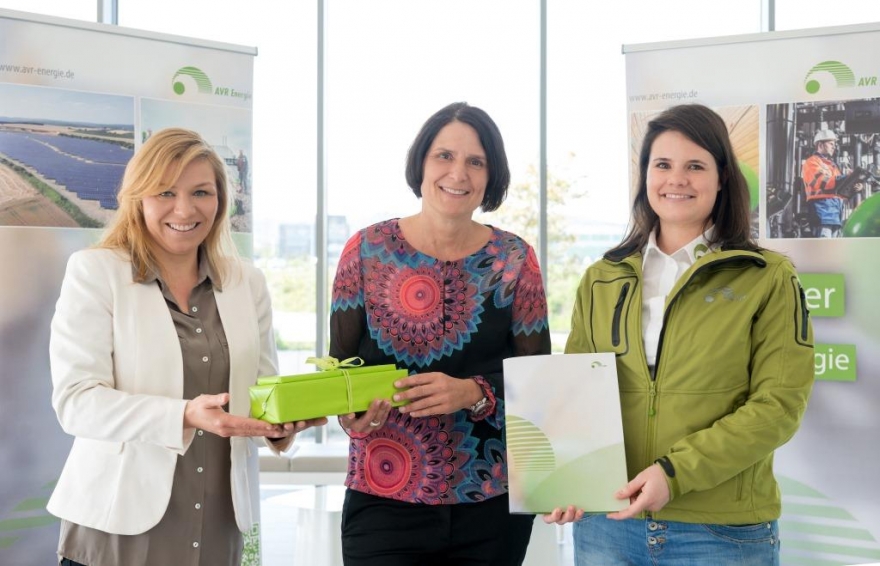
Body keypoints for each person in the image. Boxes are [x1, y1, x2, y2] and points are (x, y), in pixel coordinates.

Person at [545, 104, 815, 565]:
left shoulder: (767, 277)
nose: (677, 180)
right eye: (663, 165)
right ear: (645, 175)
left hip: (719, 532)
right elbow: (576, 393)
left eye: (695, 166)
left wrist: (674, 473)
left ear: (722, 177)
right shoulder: (602, 277)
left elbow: (779, 405)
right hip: (609, 524)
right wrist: (568, 480)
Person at [47, 128, 326, 566]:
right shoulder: (96, 272)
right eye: (165, 192)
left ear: (220, 200)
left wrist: (283, 424)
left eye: (201, 192)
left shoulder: (247, 282)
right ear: (138, 198)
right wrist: (183, 415)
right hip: (117, 529)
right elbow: (77, 402)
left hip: (218, 527)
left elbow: (262, 393)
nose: (184, 209)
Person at [329, 101, 551, 565]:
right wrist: (350, 417)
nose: (458, 173)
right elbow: (338, 373)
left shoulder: (515, 260)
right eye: (444, 156)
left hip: (491, 503)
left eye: (476, 161)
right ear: (422, 163)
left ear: (492, 175)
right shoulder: (366, 250)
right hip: (382, 497)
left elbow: (540, 387)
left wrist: (473, 392)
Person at [801, 129, 853, 237]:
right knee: (824, 245)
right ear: (820, 145)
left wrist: (853, 185)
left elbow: (839, 190)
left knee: (832, 246)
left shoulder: (832, 166)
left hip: (835, 214)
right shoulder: (812, 162)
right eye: (831, 144)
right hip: (822, 213)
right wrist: (845, 178)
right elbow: (821, 182)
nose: (834, 147)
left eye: (834, 144)